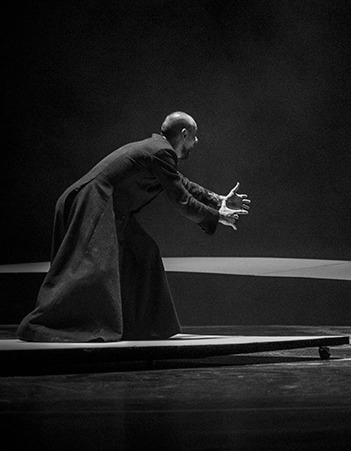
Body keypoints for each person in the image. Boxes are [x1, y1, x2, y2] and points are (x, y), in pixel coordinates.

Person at [16, 111, 250, 342]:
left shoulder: (158, 150)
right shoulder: (160, 151)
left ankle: (144, 327)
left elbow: (182, 183)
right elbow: (183, 201)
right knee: (89, 271)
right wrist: (218, 216)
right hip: (95, 202)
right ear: (184, 134)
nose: (196, 141)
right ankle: (45, 324)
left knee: (144, 253)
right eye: (194, 136)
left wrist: (219, 199)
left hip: (111, 208)